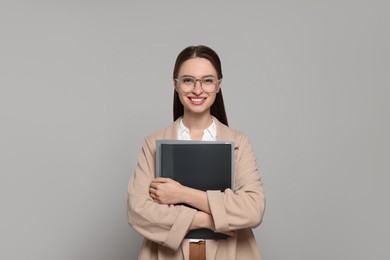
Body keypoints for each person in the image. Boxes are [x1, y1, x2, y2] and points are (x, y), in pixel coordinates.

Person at [127, 45, 265, 260]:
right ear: (176, 84)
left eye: (207, 80)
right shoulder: (153, 143)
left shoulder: (239, 142)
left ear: (219, 85)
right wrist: (206, 220)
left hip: (231, 253)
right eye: (188, 80)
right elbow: (138, 212)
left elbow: (253, 209)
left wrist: (183, 194)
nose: (198, 90)